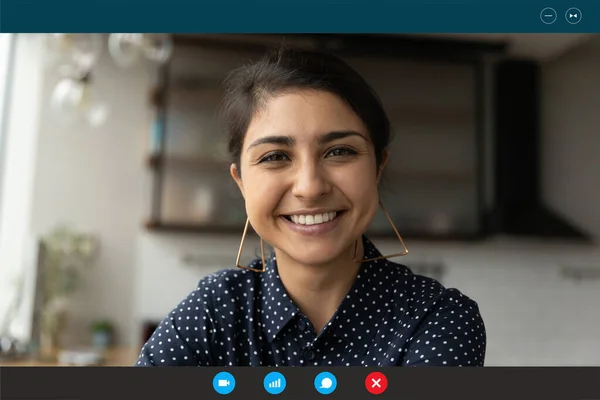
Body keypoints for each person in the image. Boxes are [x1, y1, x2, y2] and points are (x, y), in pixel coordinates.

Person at [136, 47, 486, 367]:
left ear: (378, 167)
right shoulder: (213, 313)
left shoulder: (438, 319)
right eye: (275, 157)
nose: (309, 187)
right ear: (240, 181)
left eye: (339, 151)